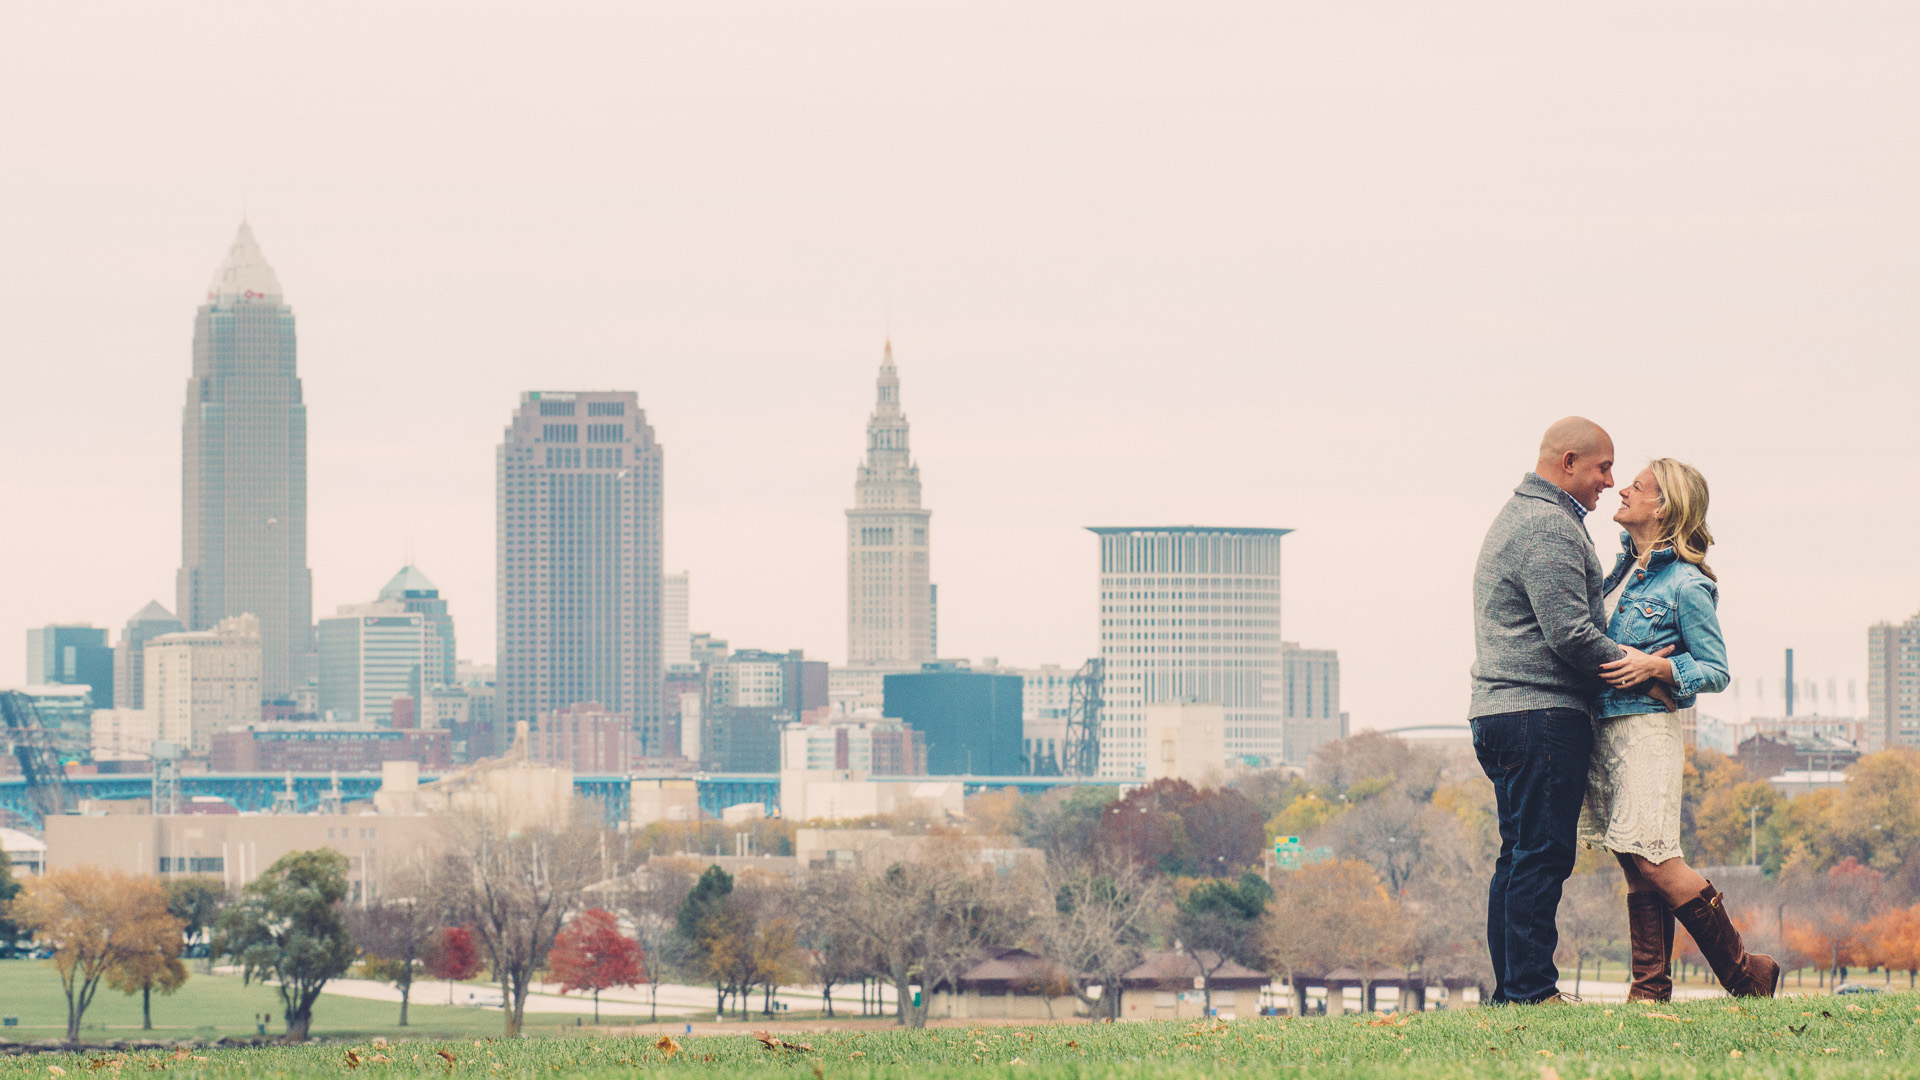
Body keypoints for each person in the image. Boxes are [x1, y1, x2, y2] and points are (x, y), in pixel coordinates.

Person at [1468, 417, 1668, 1005]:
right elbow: (1571, 634)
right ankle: (1531, 992)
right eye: (1603, 468)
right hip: (1539, 713)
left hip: (1505, 711)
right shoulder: (1548, 526)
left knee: (1519, 854)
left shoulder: (1526, 517)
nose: (1609, 481)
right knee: (1542, 855)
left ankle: (1514, 991)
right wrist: (1642, 669)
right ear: (1569, 462)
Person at [1580, 459, 1778, 999]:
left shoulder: (1688, 582)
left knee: (1656, 857)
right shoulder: (1618, 573)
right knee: (1635, 864)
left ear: (1663, 506)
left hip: (1645, 735)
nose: (1622, 489)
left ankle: (1747, 976)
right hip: (1606, 732)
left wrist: (1658, 667)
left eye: (1636, 486)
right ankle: (1650, 989)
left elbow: (1715, 670)